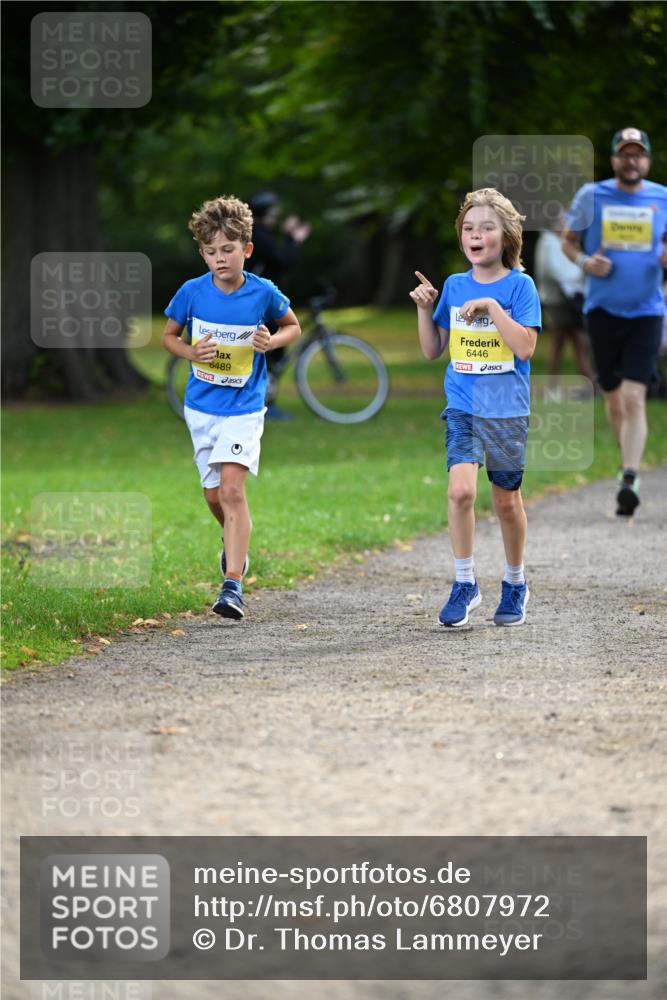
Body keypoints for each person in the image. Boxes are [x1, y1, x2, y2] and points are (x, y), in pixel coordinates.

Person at [162, 195, 301, 619]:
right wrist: (190, 353)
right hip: (201, 408)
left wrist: (271, 341)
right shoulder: (191, 293)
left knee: (232, 490)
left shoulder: (263, 293)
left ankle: (233, 585)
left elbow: (293, 326)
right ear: (202, 253)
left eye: (227, 250)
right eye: (210, 252)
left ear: (247, 250)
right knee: (212, 495)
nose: (219, 259)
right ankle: (234, 543)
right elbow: (168, 336)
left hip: (244, 407)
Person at [409, 188, 541, 628]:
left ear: (506, 237)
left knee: (506, 501)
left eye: (486, 227)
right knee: (461, 491)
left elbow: (524, 346)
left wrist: (491, 307)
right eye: (468, 228)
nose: (475, 235)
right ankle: (465, 582)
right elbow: (433, 350)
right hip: (463, 405)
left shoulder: (520, 286)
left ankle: (515, 581)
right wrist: (426, 311)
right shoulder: (453, 285)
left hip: (505, 408)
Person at [562, 127, 667, 517]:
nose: (632, 160)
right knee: (612, 398)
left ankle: (630, 475)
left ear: (648, 161)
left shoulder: (662, 198)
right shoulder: (592, 197)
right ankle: (627, 463)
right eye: (625, 153)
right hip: (602, 310)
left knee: (634, 395)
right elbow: (568, 240)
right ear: (614, 160)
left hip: (647, 310)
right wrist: (585, 262)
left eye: (638, 154)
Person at [247, 191, 311, 420]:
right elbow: (282, 263)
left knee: (272, 352)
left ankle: (266, 401)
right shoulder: (260, 236)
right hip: (262, 304)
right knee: (272, 351)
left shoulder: (259, 235)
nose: (276, 214)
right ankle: (266, 404)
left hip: (262, 302)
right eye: (273, 210)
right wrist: (294, 239)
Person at [534, 211, 594, 386]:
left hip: (565, 300)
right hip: (559, 301)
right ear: (554, 224)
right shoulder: (548, 243)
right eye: (563, 221)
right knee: (574, 341)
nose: (566, 224)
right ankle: (588, 382)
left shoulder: (557, 242)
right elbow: (554, 271)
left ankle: (556, 384)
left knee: (564, 343)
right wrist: (581, 272)